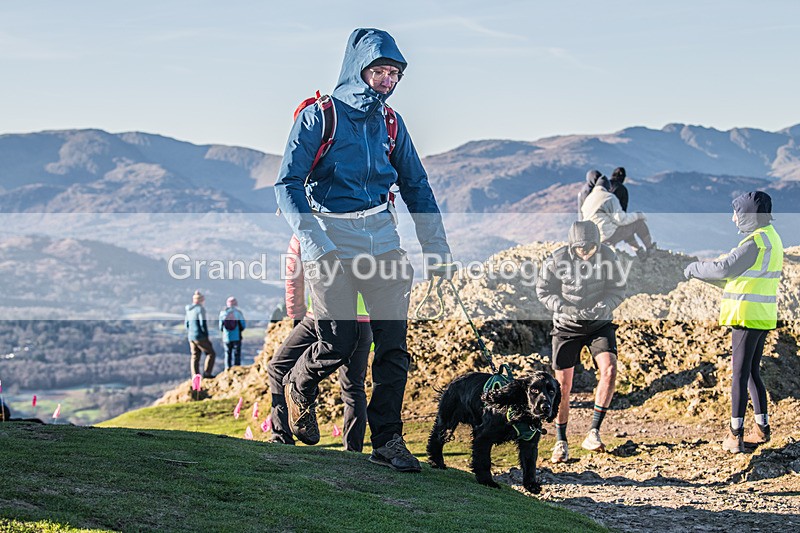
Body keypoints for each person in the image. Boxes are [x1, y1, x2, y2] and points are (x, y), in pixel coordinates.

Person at [274, 28, 452, 473]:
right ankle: (300, 381)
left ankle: (388, 440)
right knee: (337, 342)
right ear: (359, 70)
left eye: (394, 73)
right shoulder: (320, 117)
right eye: (379, 71)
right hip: (330, 245)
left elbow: (416, 185)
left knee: (393, 348)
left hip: (384, 245)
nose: (387, 80)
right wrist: (316, 244)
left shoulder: (392, 123)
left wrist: (436, 247)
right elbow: (287, 185)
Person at [684, 191, 782, 453]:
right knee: (752, 373)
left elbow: (724, 269)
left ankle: (734, 435)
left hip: (745, 315)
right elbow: (737, 274)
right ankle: (762, 429)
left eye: (737, 213)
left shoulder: (754, 243)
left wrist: (693, 268)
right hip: (762, 315)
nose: (733, 218)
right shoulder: (772, 238)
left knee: (738, 375)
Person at [268, 235, 371, 451]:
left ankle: (282, 437)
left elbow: (294, 275)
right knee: (353, 388)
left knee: (278, 367)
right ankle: (353, 451)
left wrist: (296, 314)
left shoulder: (306, 230)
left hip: (320, 317)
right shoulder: (365, 227)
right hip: (364, 321)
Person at [536, 220, 627, 463]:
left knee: (609, 369)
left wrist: (605, 306)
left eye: (590, 249)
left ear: (598, 244)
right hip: (567, 327)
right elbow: (543, 291)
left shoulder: (609, 256)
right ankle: (560, 442)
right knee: (562, 386)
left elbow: (618, 289)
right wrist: (566, 309)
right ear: (571, 246)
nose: (585, 254)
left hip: (599, 325)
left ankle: (593, 433)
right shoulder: (556, 260)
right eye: (580, 249)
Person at [581, 175, 655, 259]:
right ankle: (650, 249)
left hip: (594, 239)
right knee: (638, 223)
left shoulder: (588, 199)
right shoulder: (609, 197)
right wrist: (638, 215)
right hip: (607, 237)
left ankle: (639, 251)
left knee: (626, 228)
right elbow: (621, 219)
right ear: (608, 187)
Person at [185, 290, 215, 378]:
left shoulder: (189, 310)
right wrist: (206, 335)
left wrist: (191, 333)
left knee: (195, 356)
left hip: (191, 336)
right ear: (201, 300)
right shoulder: (200, 309)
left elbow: (186, 324)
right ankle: (207, 373)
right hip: (200, 336)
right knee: (211, 353)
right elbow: (203, 323)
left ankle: (195, 376)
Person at [219, 296, 247, 370]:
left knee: (227, 353)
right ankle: (236, 368)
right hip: (236, 336)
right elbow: (243, 324)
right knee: (236, 353)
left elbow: (220, 327)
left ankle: (227, 368)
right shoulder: (238, 313)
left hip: (226, 337)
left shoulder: (223, 313)